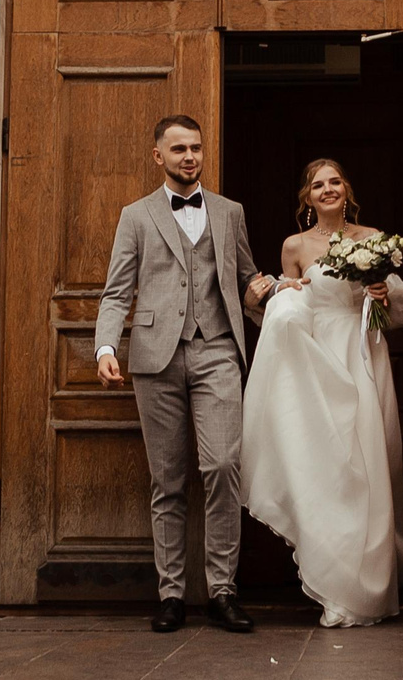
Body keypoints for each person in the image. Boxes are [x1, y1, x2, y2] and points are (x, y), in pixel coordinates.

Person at [94, 114, 276, 634]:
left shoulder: (229, 212)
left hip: (217, 350)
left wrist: (270, 295)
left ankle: (221, 591)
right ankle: (171, 594)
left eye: (195, 148)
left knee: (222, 468)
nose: (189, 157)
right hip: (155, 358)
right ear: (159, 156)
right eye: (178, 149)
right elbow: (116, 291)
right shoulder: (136, 216)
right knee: (168, 480)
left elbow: (246, 279)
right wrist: (107, 344)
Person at [243, 158, 403, 627]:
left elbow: (402, 306)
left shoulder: (372, 238)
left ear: (347, 189)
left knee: (370, 459)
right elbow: (290, 304)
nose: (327, 189)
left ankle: (372, 585)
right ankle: (335, 583)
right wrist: (283, 292)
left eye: (335, 181)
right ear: (307, 197)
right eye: (318, 185)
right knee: (330, 466)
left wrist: (381, 294)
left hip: (362, 353)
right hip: (318, 365)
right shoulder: (294, 246)